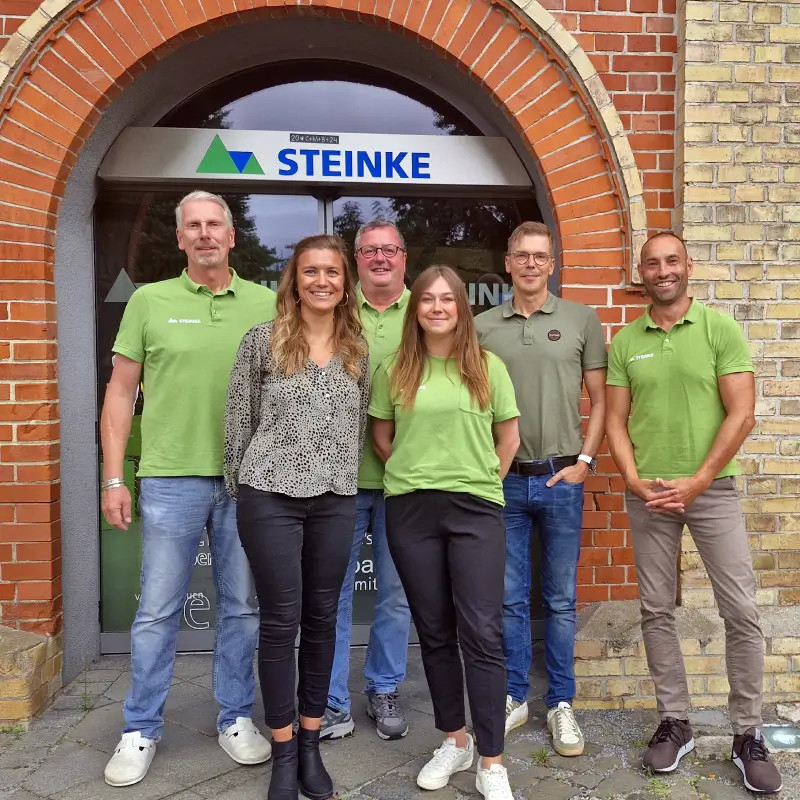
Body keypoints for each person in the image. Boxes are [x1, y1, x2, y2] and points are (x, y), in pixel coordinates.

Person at [100, 191, 275, 787]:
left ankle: (235, 718)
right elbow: (120, 394)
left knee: (243, 609)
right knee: (155, 612)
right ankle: (140, 728)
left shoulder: (267, 304)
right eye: (192, 226)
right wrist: (115, 476)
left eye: (214, 225)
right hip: (171, 477)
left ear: (232, 237)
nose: (204, 234)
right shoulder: (149, 301)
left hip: (247, 481)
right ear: (179, 239)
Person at [605, 231, 782, 794]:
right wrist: (632, 480)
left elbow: (743, 413)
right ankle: (675, 721)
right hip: (650, 494)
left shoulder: (717, 329)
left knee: (741, 611)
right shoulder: (625, 341)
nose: (663, 271)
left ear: (688, 266)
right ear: (641, 272)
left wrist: (699, 479)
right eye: (652, 263)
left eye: (671, 261)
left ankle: (746, 732)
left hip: (712, 491)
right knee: (657, 609)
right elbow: (614, 419)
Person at [224, 234, 370, 800]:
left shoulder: (357, 349)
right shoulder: (261, 342)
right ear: (295, 279)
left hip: (334, 500)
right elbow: (238, 423)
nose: (322, 281)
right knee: (281, 622)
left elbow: (357, 431)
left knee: (323, 619)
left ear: (344, 282)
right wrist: (243, 494)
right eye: (311, 271)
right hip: (270, 497)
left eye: (332, 272)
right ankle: (283, 751)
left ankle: (311, 745)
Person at [370, 266, 521, 800]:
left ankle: (492, 760)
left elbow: (509, 437)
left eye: (446, 299)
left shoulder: (488, 367)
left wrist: (478, 483)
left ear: (461, 307)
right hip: (411, 510)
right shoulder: (395, 369)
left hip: (475, 510)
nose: (436, 307)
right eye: (427, 300)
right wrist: (416, 475)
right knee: (433, 631)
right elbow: (382, 435)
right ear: (417, 311)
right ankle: (455, 741)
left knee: (481, 632)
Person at [475, 221, 607, 756]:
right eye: (522, 256)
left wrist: (586, 463)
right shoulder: (483, 326)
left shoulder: (581, 320)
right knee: (507, 598)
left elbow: (601, 400)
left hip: (560, 478)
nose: (531, 265)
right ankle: (513, 695)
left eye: (541, 257)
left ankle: (560, 704)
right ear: (507, 262)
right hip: (504, 480)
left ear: (551, 264)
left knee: (558, 599)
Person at [322, 219, 413, 742]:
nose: (380, 258)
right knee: (330, 593)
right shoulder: (332, 309)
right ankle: (332, 700)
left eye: (390, 249)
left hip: (405, 477)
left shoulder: (425, 311)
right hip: (337, 479)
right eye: (370, 250)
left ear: (404, 257)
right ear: (357, 260)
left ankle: (383, 687)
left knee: (396, 594)